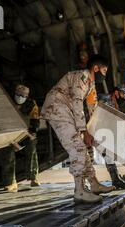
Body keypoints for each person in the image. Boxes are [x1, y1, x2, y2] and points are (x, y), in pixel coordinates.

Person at [41, 54, 115, 203]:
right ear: (96, 68)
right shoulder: (82, 77)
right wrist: (84, 131)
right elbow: (77, 103)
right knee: (78, 149)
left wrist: (96, 131)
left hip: (66, 111)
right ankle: (79, 191)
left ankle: (94, 184)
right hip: (57, 108)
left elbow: (92, 108)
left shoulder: (91, 85)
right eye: (104, 70)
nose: (105, 74)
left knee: (82, 149)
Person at [0, 84, 41, 192]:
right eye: (18, 94)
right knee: (7, 154)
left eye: (23, 95)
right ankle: (11, 182)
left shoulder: (31, 104)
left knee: (31, 150)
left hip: (25, 132)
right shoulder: (7, 101)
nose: (20, 97)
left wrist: (32, 133)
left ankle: (33, 177)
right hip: (10, 132)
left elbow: (35, 119)